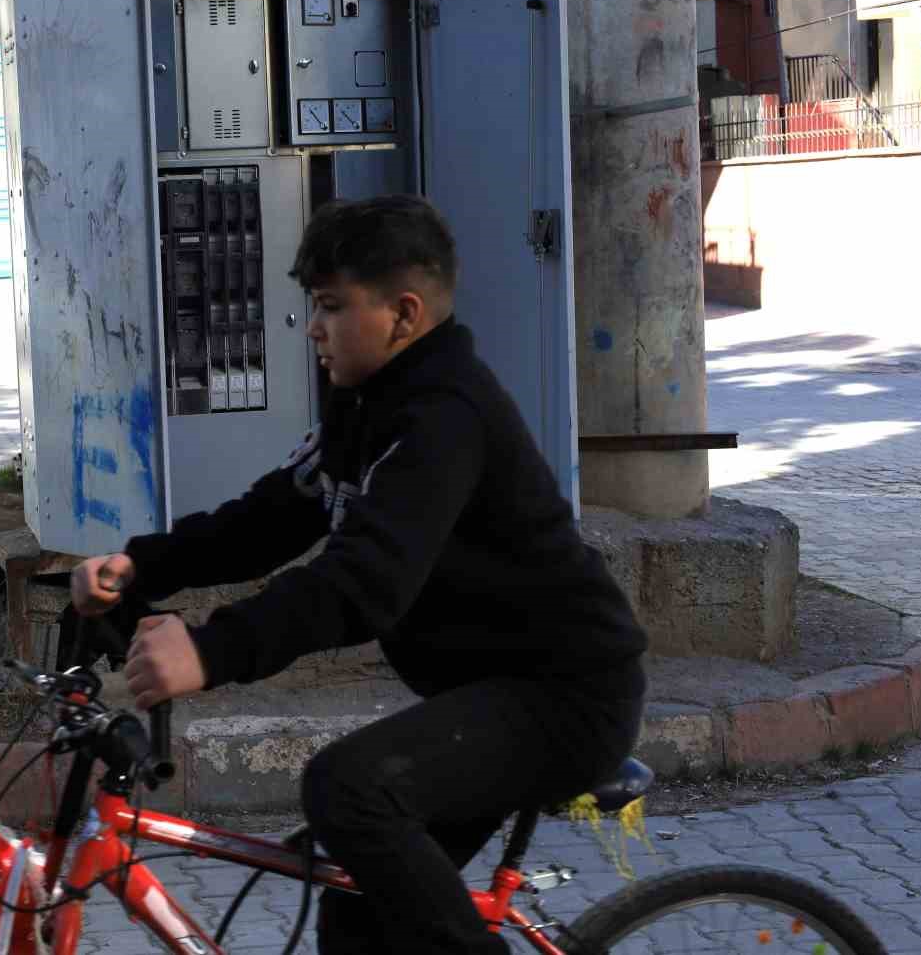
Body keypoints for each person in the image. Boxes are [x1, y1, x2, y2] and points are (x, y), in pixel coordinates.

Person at [71, 195, 648, 954]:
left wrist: (212, 651)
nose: (312, 327)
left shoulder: (446, 418)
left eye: (331, 306)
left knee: (348, 789)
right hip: (489, 693)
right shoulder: (364, 405)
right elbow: (271, 517)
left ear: (403, 314)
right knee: (354, 896)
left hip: (568, 697)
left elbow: (365, 582)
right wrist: (141, 564)